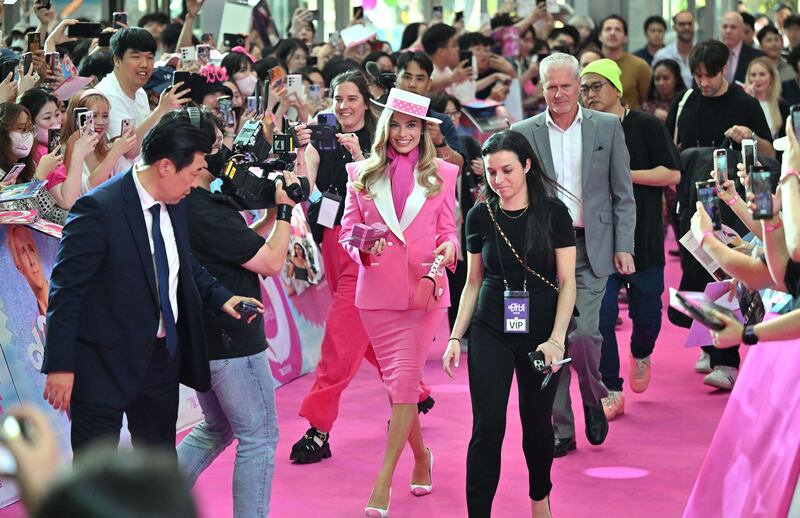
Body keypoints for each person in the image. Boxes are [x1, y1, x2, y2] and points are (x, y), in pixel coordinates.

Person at [41, 110, 263, 454]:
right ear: (165, 167)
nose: (195, 184)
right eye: (192, 173)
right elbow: (65, 293)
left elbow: (179, 260)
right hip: (102, 363)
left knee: (158, 469)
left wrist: (221, 297)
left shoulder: (174, 201)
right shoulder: (97, 210)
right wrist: (59, 366)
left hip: (160, 359)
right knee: (95, 478)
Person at [291, 70, 434, 464]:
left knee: (339, 341)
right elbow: (305, 190)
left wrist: (360, 157)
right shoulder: (320, 136)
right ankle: (415, 391)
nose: (343, 107)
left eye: (351, 99)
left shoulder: (383, 141)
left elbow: (392, 198)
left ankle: (318, 429)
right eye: (338, 99)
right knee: (366, 339)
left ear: (366, 104)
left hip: (369, 253)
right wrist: (303, 156)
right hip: (331, 245)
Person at [442, 130, 576, 518]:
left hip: (541, 333)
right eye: (491, 173)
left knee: (536, 424)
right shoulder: (479, 215)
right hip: (490, 327)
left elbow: (568, 283)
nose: (499, 180)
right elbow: (472, 283)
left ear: (527, 166)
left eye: (507, 170)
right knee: (487, 426)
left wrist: (556, 340)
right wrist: (455, 336)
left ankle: (539, 501)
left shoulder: (553, 214)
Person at [177, 113, 304, 517]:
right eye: (213, 147)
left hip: (204, 337)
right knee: (259, 436)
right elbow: (269, 262)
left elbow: (246, 243)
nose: (221, 155)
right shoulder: (203, 210)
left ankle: (148, 500)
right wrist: (284, 212)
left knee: (218, 428)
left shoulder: (189, 203)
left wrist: (270, 210)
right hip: (232, 338)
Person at [339, 87, 458, 516]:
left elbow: (449, 230)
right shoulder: (360, 173)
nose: (404, 134)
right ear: (385, 127)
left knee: (405, 383)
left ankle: (383, 481)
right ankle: (422, 456)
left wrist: (449, 250)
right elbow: (348, 231)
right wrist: (363, 250)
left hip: (424, 293)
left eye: (413, 126)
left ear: (424, 131)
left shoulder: (444, 173)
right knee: (398, 389)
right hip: (376, 296)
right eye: (398, 125)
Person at [511, 52, 636, 457]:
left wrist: (623, 246)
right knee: (553, 339)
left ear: (579, 86)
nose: (560, 94)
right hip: (543, 251)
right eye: (552, 87)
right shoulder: (524, 131)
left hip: (592, 247)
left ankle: (592, 394)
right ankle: (561, 426)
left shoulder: (608, 126)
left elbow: (623, 194)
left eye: (567, 86)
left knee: (583, 335)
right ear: (541, 88)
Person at [666, 39, 773, 388]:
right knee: (695, 270)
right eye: (698, 76)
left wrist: (750, 136)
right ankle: (710, 344)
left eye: (710, 75)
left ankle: (727, 359)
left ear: (725, 68)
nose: (704, 83)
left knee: (727, 272)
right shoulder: (686, 101)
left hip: (732, 203)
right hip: (692, 200)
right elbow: (672, 147)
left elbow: (771, 152)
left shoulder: (744, 102)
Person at [579, 59, 681, 420]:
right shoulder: (581, 129)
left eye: (596, 86)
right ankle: (610, 388)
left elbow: (671, 172)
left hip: (643, 236)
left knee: (647, 313)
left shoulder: (646, 124)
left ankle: (641, 352)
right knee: (601, 314)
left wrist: (624, 176)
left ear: (617, 89)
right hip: (598, 239)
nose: (589, 95)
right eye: (584, 88)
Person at [97, 28, 191, 152]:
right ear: (117, 60)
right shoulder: (107, 95)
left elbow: (147, 138)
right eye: (136, 57)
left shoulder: (140, 92)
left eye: (150, 57)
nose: (144, 64)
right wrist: (160, 110)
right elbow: (129, 151)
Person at [62, 89, 137, 194]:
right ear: (78, 118)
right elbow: (87, 190)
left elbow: (132, 179)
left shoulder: (107, 149)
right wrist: (116, 152)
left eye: (105, 116)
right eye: (94, 116)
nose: (101, 122)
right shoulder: (66, 150)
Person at [597, 15, 651, 109]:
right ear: (600, 36)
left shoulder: (639, 65)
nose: (612, 33)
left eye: (618, 30)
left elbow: (647, 101)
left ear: (625, 37)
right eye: (608, 29)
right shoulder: (592, 63)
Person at [424, 23, 475, 105]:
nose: (458, 49)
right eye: (454, 45)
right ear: (441, 52)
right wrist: (451, 79)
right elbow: (426, 86)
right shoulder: (427, 70)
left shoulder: (447, 70)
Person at [7, 225, 49, 315]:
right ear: (18, 267)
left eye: (31, 249)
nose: (31, 261)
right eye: (23, 252)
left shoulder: (65, 295)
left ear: (39, 254)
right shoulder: (32, 318)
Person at [745, 57, 789, 139]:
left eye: (762, 74)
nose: (757, 79)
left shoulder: (782, 105)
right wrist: (746, 99)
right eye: (753, 75)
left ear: (771, 77)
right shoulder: (744, 103)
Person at [653, 10, 695, 89]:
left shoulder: (702, 54)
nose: (687, 27)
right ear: (674, 27)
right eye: (682, 24)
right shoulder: (662, 55)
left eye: (690, 24)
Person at [720, 11, 765, 84]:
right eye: (725, 27)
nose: (728, 31)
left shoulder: (757, 57)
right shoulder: (712, 55)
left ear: (742, 31)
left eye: (733, 27)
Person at [642, 59, 687, 123]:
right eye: (657, 79)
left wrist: (669, 118)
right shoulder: (647, 107)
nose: (661, 83)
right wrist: (653, 113)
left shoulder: (685, 104)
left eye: (666, 78)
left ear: (676, 79)